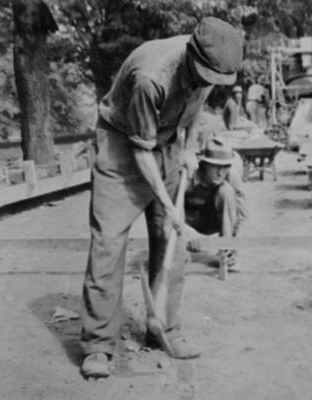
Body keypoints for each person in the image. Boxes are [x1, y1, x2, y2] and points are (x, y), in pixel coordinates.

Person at [80, 17, 243, 379]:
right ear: (191, 57)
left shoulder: (209, 66)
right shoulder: (150, 77)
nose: (209, 84)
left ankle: (164, 328)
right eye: (206, 76)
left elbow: (196, 104)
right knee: (108, 242)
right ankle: (98, 345)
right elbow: (141, 151)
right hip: (122, 145)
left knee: (172, 239)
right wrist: (170, 208)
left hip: (167, 141)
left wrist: (186, 146)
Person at [184, 138, 247, 271]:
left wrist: (233, 245)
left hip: (214, 221)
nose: (221, 173)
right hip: (189, 223)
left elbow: (241, 216)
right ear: (204, 164)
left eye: (225, 167)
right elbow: (167, 211)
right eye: (216, 167)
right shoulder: (188, 176)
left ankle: (227, 254)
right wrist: (185, 232)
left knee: (226, 191)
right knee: (178, 260)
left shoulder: (231, 177)